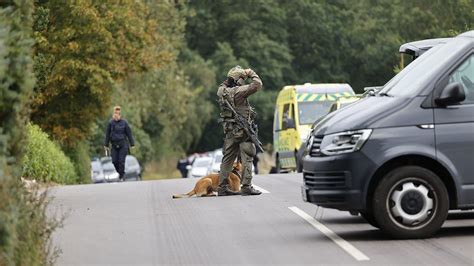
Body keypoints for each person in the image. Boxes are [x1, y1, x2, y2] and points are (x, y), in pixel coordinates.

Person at [216, 66, 263, 196]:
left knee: (227, 159)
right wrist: (250, 73)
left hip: (230, 130)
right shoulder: (239, 91)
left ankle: (222, 187)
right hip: (243, 131)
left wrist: (233, 76)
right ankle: (246, 186)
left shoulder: (221, 91)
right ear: (239, 80)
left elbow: (224, 84)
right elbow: (258, 84)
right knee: (247, 156)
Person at [104, 106, 135, 182]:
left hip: (123, 144)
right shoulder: (110, 123)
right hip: (114, 145)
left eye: (117, 115)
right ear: (113, 115)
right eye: (114, 115)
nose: (116, 116)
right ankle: (120, 173)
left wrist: (132, 144)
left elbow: (129, 133)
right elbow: (107, 134)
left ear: (120, 115)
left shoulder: (124, 123)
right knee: (114, 161)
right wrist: (106, 145)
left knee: (121, 161)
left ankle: (121, 176)